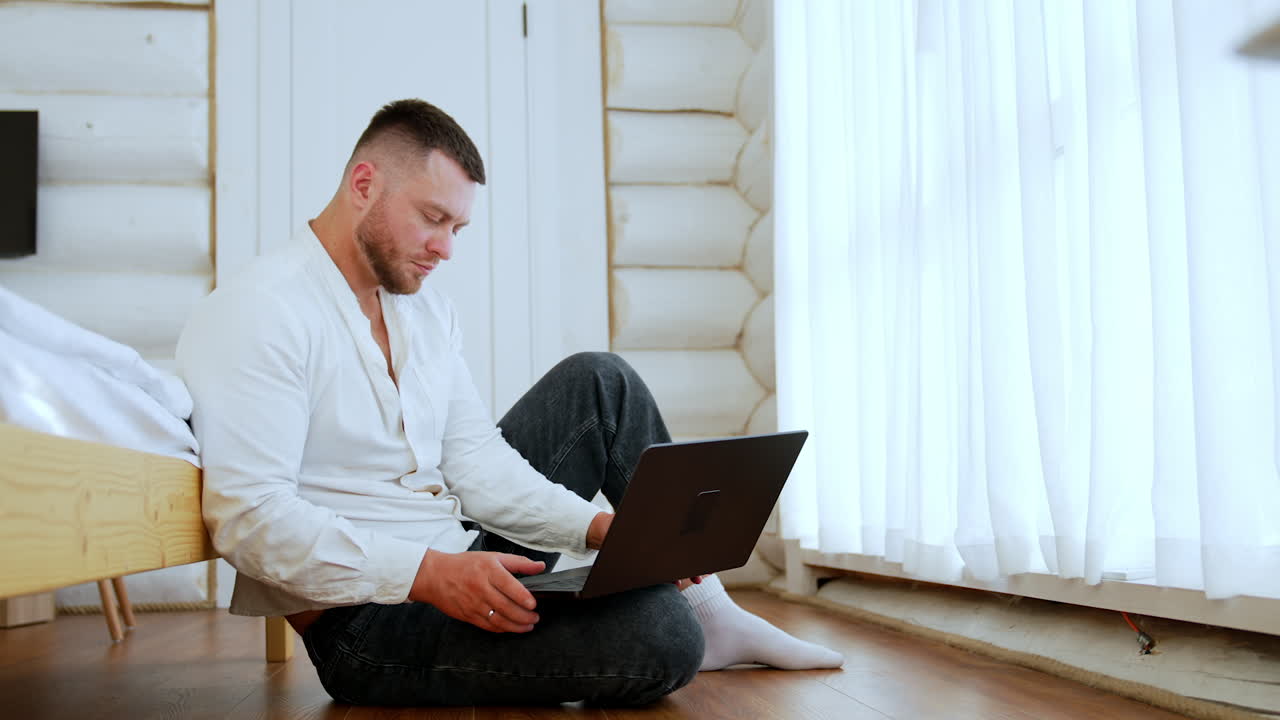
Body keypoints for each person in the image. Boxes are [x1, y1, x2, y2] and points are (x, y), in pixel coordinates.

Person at [176, 98, 842, 707]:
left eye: (458, 226)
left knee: (600, 381)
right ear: (363, 185)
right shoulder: (260, 310)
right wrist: (427, 574)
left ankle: (714, 609)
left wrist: (597, 527)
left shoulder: (423, 308)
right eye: (433, 218)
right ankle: (694, 627)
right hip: (365, 620)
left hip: (461, 555)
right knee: (662, 637)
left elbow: (473, 461)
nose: (446, 248)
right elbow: (249, 520)